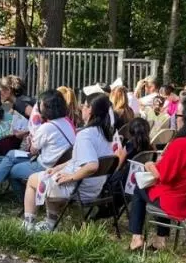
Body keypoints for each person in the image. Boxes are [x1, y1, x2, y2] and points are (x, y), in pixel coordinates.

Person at [127, 100, 186, 251]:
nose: (175, 118)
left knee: (141, 189)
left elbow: (163, 176)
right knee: (161, 189)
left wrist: (149, 165)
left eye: (177, 115)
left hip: (181, 203)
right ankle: (160, 239)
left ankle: (137, 237)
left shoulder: (181, 144)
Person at [22, 94, 117, 233]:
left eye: (84, 105)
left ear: (90, 110)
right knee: (49, 176)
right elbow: (78, 159)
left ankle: (28, 226)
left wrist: (70, 177)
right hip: (93, 188)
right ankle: (50, 224)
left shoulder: (86, 134)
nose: (81, 108)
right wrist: (57, 168)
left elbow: (92, 166)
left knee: (32, 180)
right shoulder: (105, 133)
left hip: (76, 189)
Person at [0, 89, 76, 196]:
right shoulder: (67, 122)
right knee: (11, 154)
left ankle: (24, 199)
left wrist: (30, 140)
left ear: (47, 108)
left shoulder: (47, 127)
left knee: (13, 170)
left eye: (40, 103)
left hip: (46, 167)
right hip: (61, 164)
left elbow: (33, 151)